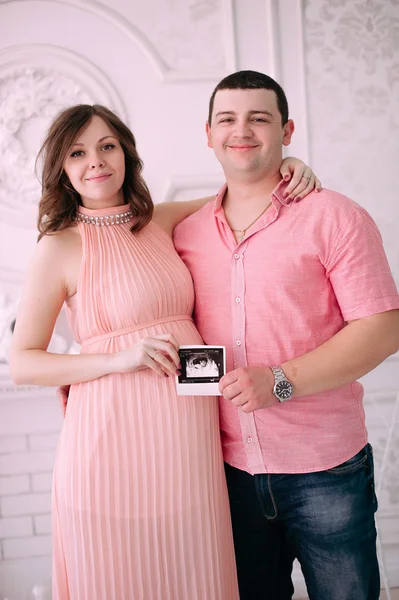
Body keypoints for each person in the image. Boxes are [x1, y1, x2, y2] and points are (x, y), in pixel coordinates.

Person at [9, 103, 318, 600]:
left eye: (107, 146)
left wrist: (286, 167)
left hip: (186, 430)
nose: (96, 161)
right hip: (109, 434)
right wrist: (119, 358)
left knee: (191, 567)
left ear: (126, 154)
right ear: (62, 170)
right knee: (123, 572)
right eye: (77, 152)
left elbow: (241, 196)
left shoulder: (161, 220)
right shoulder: (59, 247)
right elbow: (23, 362)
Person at [173, 70, 399, 600]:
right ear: (207, 133)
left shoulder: (336, 217)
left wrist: (280, 380)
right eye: (227, 118)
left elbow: (384, 327)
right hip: (227, 471)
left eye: (259, 118)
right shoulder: (186, 232)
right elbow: (114, 221)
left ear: (287, 130)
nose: (241, 130)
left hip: (326, 469)